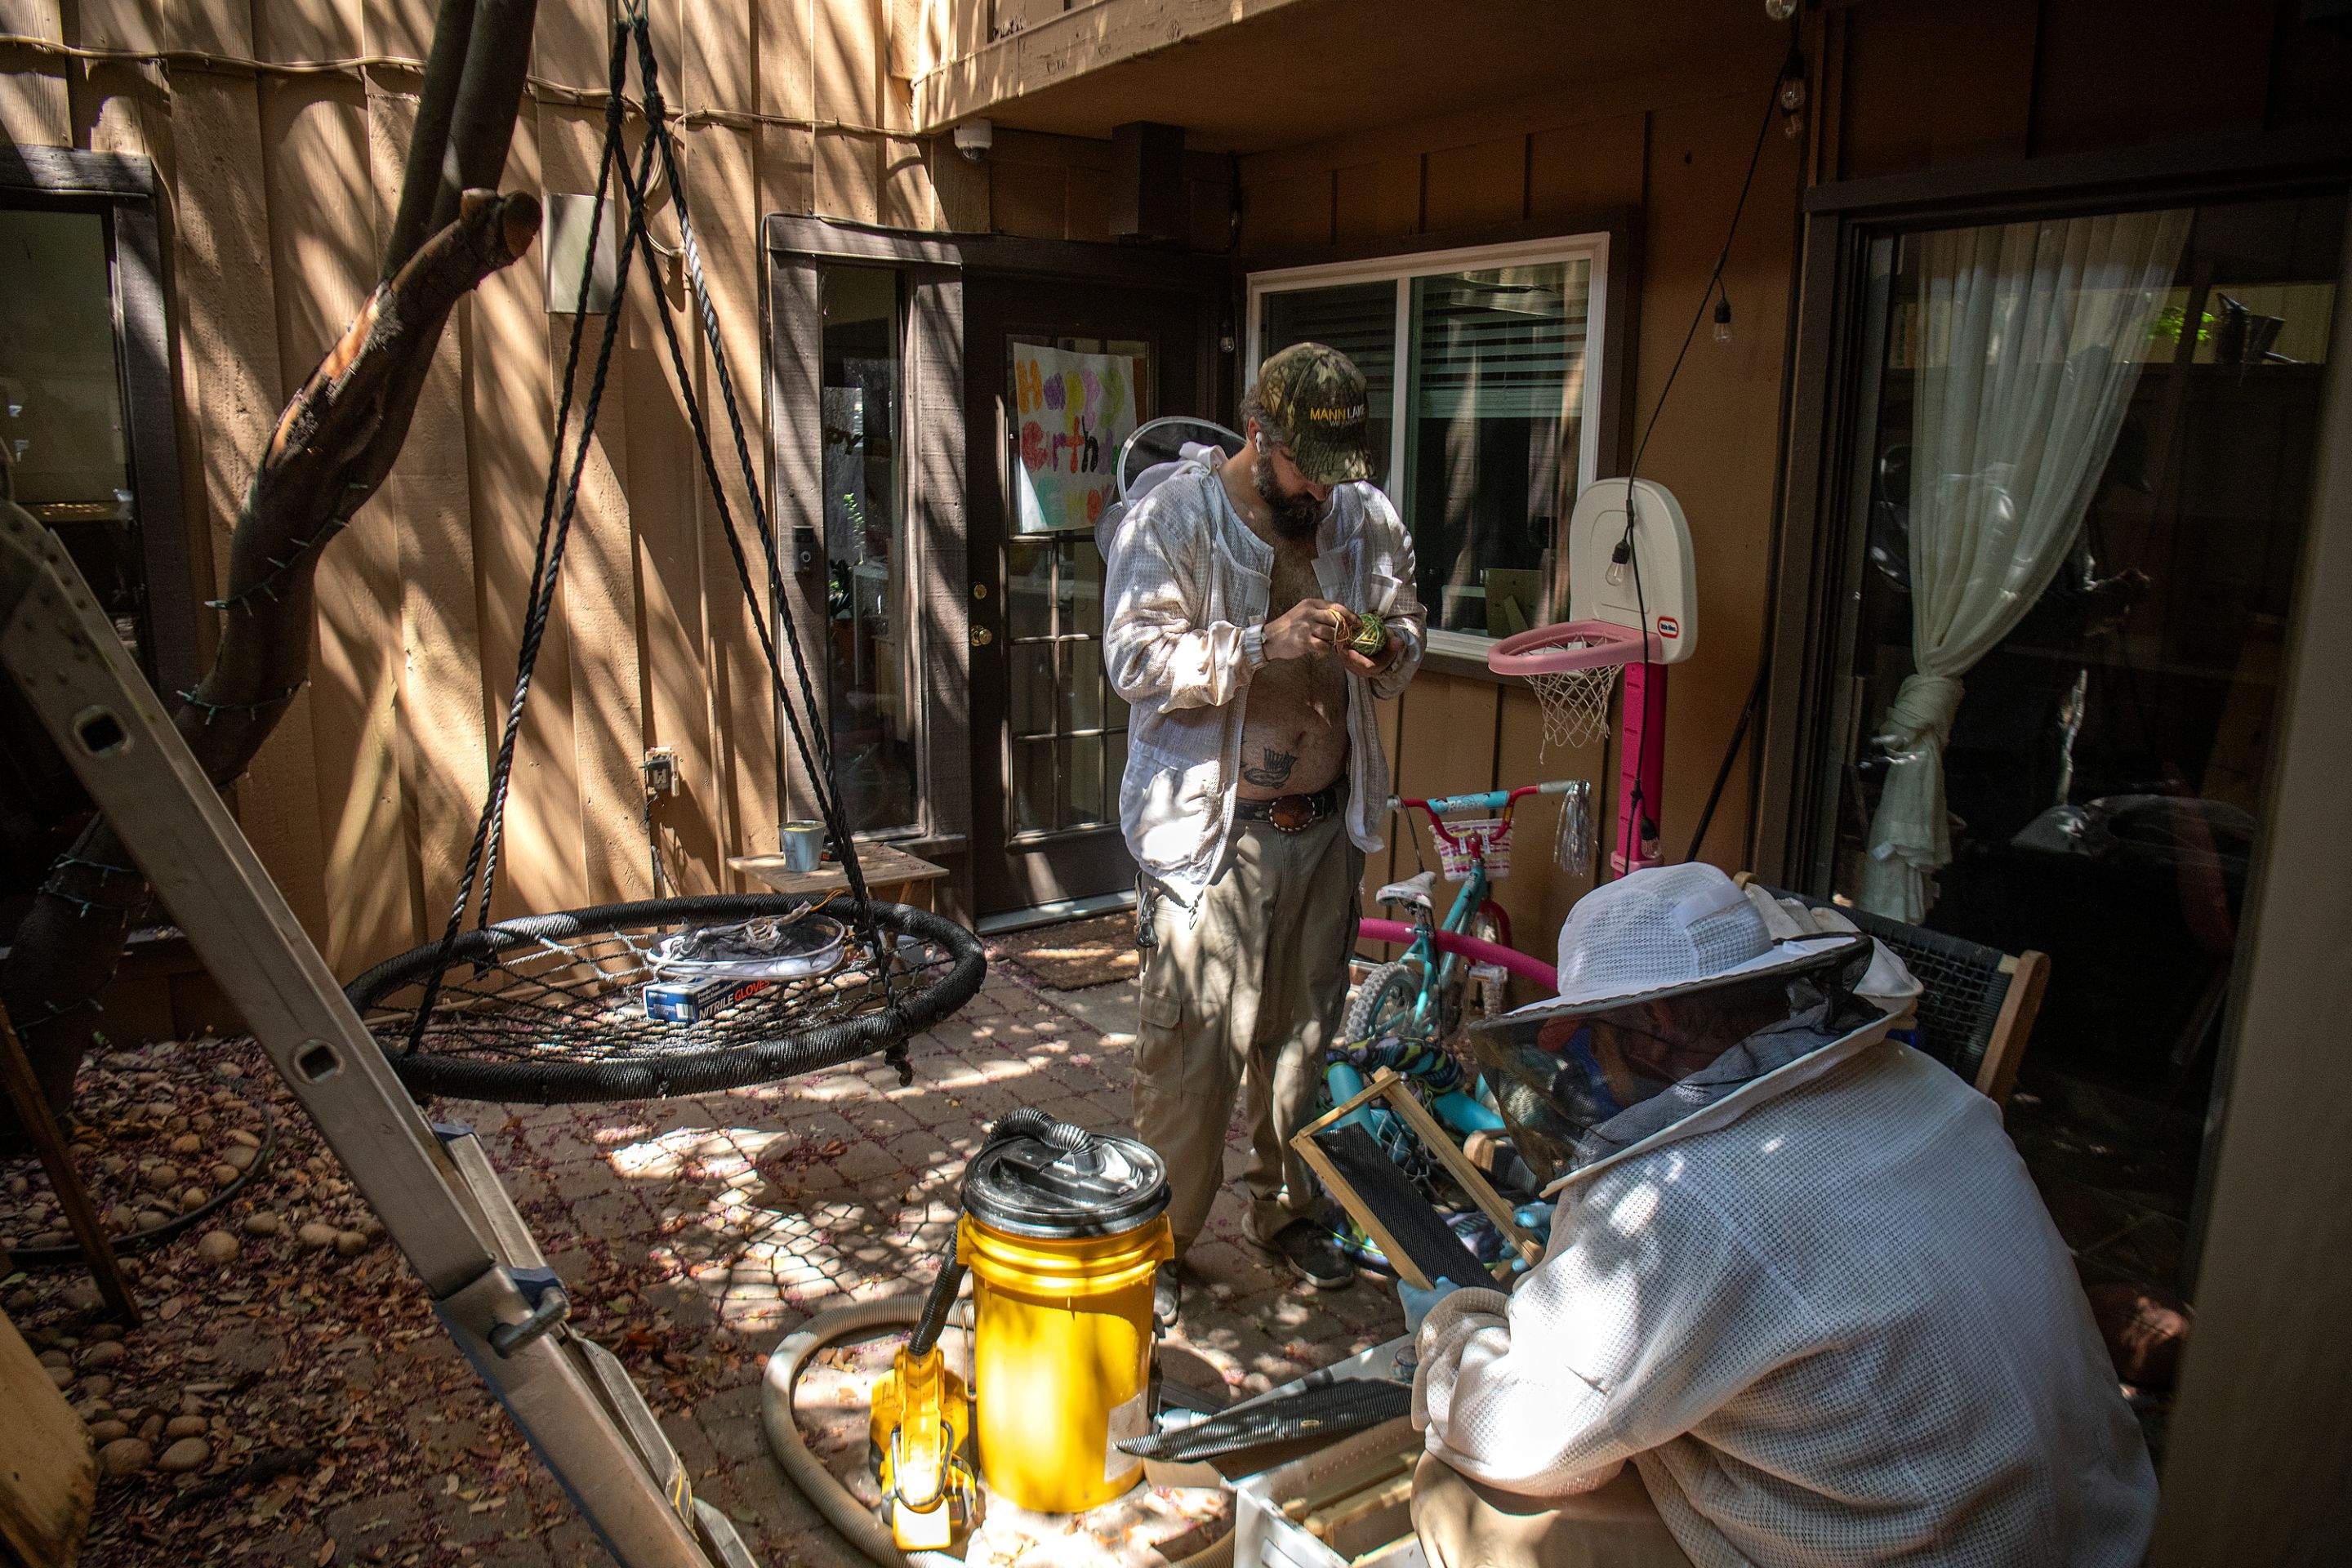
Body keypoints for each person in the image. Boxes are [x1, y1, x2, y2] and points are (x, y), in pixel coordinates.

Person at [1405, 863, 2159, 1567]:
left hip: (1943, 1549)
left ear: (1654, 1022)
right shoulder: (1927, 1084)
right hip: (2105, 1525)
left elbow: (1523, 1433)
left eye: (1599, 1034)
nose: (1598, 1063)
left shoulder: (1676, 1201)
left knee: (1463, 1496)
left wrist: (1451, 1331)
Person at [1103, 342, 1425, 1321]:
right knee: (1193, 1054)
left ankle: (1287, 1215)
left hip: (1324, 829)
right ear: (1260, 437)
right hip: (1214, 837)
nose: (1325, 496)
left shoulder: (1360, 516)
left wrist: (1383, 645)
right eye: (1308, 473)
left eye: (1339, 475)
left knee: (1302, 1045)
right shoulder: (1177, 517)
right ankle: (1155, 1250)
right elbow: (1131, 658)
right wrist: (1260, 643)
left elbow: (1407, 622)